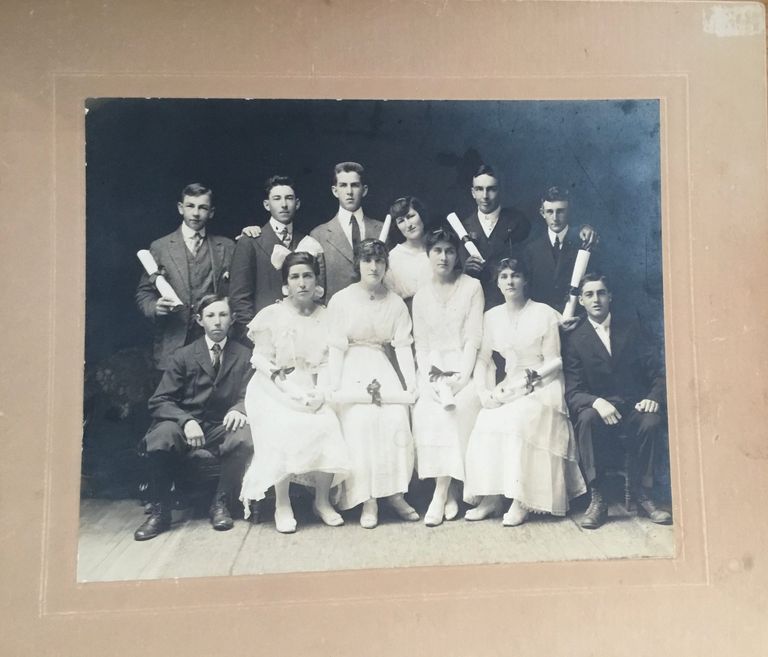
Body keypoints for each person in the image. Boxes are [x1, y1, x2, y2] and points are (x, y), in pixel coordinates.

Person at [463, 258, 586, 526]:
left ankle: (521, 500)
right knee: (486, 419)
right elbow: (483, 360)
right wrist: (484, 391)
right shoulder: (491, 316)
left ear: (525, 280)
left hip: (544, 383)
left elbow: (555, 361)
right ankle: (492, 497)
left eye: (515, 276)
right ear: (497, 282)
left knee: (519, 419)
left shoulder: (543, 313)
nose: (510, 281)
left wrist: (530, 381)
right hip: (511, 383)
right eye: (504, 276)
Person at [239, 253, 350, 533]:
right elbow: (262, 363)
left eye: (307, 276)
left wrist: (320, 393)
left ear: (316, 281)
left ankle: (322, 501)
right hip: (272, 387)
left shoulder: (326, 317)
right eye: (295, 277)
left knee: (327, 421)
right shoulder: (272, 315)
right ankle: (283, 503)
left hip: (311, 384)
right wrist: (290, 392)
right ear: (286, 284)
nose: (302, 283)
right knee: (284, 425)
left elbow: (326, 363)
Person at [134, 295, 254, 541]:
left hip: (221, 425)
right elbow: (160, 401)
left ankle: (220, 503)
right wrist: (186, 421)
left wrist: (240, 408)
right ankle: (161, 510)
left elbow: (251, 393)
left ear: (232, 319)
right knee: (160, 436)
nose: (217, 321)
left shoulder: (244, 356)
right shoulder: (184, 355)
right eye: (210, 315)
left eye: (223, 315)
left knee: (245, 437)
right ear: (200, 321)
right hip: (185, 425)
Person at [563, 272, 671, 529]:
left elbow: (658, 371)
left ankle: (643, 493)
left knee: (652, 421)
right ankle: (597, 497)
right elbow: (573, 391)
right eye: (589, 294)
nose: (596, 299)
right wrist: (596, 402)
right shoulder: (575, 339)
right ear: (581, 301)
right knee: (586, 418)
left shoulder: (631, 328)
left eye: (601, 293)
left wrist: (653, 397)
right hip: (601, 409)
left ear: (610, 296)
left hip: (634, 405)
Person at [327, 239, 419, 528]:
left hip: (382, 367)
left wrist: (410, 386)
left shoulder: (394, 302)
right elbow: (336, 347)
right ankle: (368, 500)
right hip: (350, 368)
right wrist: (333, 385)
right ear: (358, 264)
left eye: (379, 261)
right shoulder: (341, 299)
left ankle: (394, 493)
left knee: (394, 420)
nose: (374, 266)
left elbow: (402, 346)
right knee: (361, 421)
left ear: (386, 266)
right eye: (368, 260)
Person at [411, 229, 484, 526]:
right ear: (428, 254)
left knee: (458, 409)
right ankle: (449, 488)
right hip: (432, 369)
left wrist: (462, 378)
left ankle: (439, 495)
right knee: (428, 410)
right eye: (437, 250)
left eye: (449, 251)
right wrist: (433, 380)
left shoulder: (472, 287)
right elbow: (423, 345)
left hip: (467, 366)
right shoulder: (420, 294)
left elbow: (473, 337)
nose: (443, 257)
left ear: (458, 255)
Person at [136, 183, 235, 371]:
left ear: (211, 212)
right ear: (181, 208)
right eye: (190, 206)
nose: (196, 213)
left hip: (214, 342)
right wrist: (155, 307)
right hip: (174, 341)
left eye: (203, 207)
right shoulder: (160, 247)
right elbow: (144, 294)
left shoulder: (227, 247)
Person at [228, 175, 309, 341]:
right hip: (264, 336)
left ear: (297, 203)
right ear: (267, 204)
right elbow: (239, 298)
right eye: (277, 198)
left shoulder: (307, 241)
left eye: (289, 198)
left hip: (301, 335)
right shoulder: (250, 242)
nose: (284, 204)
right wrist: (255, 338)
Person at [310, 162, 383, 300]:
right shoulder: (319, 235)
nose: (349, 192)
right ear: (335, 191)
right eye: (343, 185)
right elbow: (317, 289)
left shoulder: (381, 229)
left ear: (364, 190)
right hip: (337, 315)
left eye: (355, 185)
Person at [523, 186, 599, 313]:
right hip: (544, 320)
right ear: (542, 213)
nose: (555, 218)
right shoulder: (531, 249)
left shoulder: (584, 242)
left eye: (560, 211)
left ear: (568, 211)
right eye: (550, 212)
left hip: (578, 319)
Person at [383, 196, 432, 302]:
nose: (408, 225)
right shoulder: (393, 258)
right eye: (401, 221)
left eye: (410, 216)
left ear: (421, 215)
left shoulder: (439, 249)